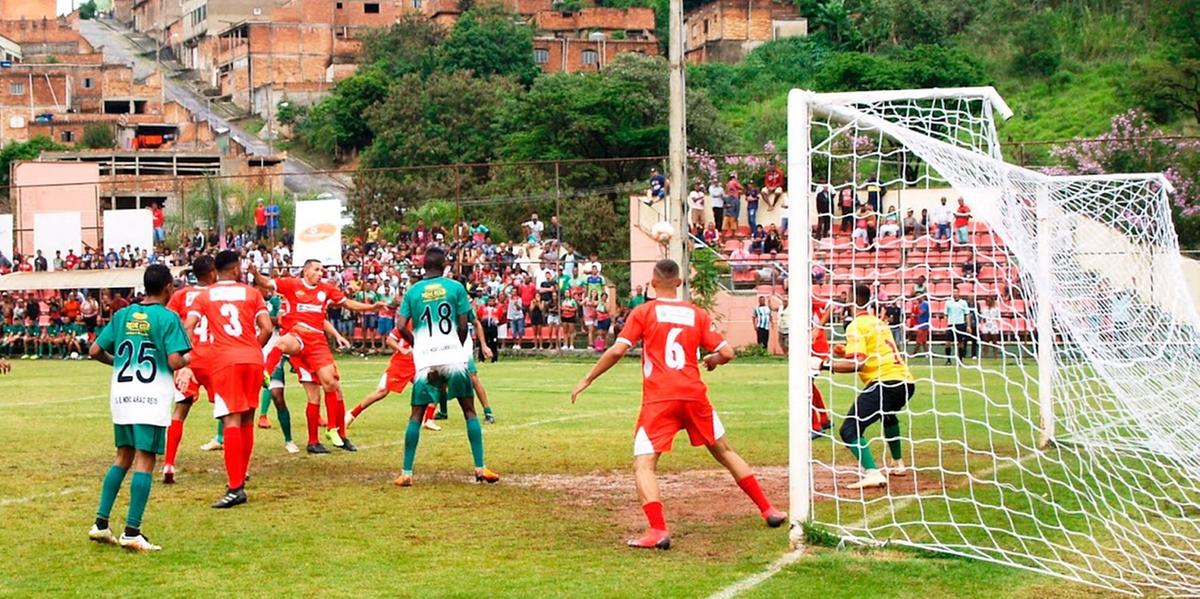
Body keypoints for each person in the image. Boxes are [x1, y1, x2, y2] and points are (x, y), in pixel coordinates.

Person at [571, 259, 786, 550]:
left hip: (660, 398)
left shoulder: (644, 311)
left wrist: (588, 378)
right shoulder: (696, 313)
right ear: (680, 283)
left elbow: (618, 349)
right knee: (725, 451)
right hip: (694, 394)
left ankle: (658, 530)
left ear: (652, 282)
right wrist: (712, 359)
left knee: (644, 464)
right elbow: (729, 352)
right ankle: (769, 510)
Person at [87, 264, 192, 552]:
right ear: (169, 287)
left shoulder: (122, 315)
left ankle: (101, 524)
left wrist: (118, 363)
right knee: (145, 460)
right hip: (150, 395)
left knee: (123, 456)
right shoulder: (168, 318)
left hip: (122, 394)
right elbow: (173, 361)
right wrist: (189, 360)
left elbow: (94, 351)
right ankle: (132, 531)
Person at [393, 247, 500, 487]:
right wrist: (456, 345)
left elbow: (400, 326)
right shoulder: (456, 288)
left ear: (423, 266)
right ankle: (480, 467)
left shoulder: (412, 291)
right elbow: (464, 325)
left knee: (416, 415)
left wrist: (417, 343)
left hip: (426, 360)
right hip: (453, 356)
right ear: (444, 266)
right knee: (469, 411)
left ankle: (407, 472)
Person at [252, 260, 382, 454]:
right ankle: (265, 372)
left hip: (317, 344)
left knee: (332, 385)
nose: (321, 273)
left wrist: (370, 308)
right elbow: (266, 282)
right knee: (285, 347)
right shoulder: (291, 285)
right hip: (297, 338)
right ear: (305, 271)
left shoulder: (326, 290)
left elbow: (345, 305)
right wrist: (255, 273)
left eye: (322, 270)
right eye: (317, 269)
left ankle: (333, 432)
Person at [184, 250, 273, 509]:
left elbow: (188, 325)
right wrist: (252, 348)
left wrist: (186, 357)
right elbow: (267, 328)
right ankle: (240, 476)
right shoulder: (251, 293)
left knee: (231, 418)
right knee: (247, 417)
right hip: (253, 359)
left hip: (226, 361)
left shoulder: (205, 295)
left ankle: (235, 488)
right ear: (236, 270)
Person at [827, 284, 915, 489]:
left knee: (850, 429)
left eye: (845, 297)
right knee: (889, 415)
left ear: (852, 300)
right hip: (906, 382)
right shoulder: (878, 323)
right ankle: (898, 463)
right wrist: (845, 354)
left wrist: (823, 365)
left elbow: (858, 364)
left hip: (885, 382)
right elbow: (875, 351)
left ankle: (873, 472)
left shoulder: (855, 326)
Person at [161, 256, 218, 484]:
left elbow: (171, 323)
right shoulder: (219, 294)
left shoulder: (181, 295)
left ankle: (168, 463)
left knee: (179, 412)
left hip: (189, 358)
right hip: (216, 358)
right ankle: (239, 470)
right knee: (231, 411)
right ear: (213, 272)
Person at [944, 290, 971, 365]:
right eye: (953, 292)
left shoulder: (963, 302)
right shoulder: (948, 303)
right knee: (947, 343)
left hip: (960, 324)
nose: (955, 294)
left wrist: (968, 326)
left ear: (959, 293)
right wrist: (945, 326)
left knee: (961, 343)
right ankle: (948, 360)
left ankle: (960, 360)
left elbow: (967, 314)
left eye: (956, 292)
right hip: (951, 325)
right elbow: (946, 315)